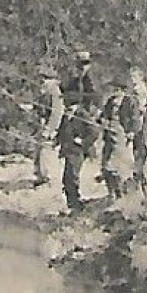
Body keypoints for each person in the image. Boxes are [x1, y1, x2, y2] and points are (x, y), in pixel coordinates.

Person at [56, 51, 99, 212]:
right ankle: (73, 204)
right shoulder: (75, 79)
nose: (83, 67)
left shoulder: (90, 80)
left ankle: (76, 206)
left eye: (85, 63)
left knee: (71, 176)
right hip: (70, 143)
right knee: (67, 177)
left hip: (80, 136)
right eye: (80, 64)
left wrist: (83, 141)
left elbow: (94, 129)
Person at [97, 76, 140, 202]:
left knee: (121, 167)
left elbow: (135, 119)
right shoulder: (110, 102)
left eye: (117, 89)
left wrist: (132, 131)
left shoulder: (130, 101)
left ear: (123, 90)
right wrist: (102, 120)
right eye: (113, 89)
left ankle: (124, 195)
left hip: (123, 136)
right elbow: (102, 116)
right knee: (106, 166)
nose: (114, 92)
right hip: (109, 136)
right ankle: (112, 193)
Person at [33, 69, 64, 186]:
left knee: (46, 153)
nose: (42, 81)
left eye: (45, 78)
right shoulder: (46, 92)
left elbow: (57, 112)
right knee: (39, 152)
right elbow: (40, 108)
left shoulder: (55, 91)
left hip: (50, 128)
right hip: (43, 126)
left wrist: (51, 129)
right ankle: (40, 177)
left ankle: (48, 179)